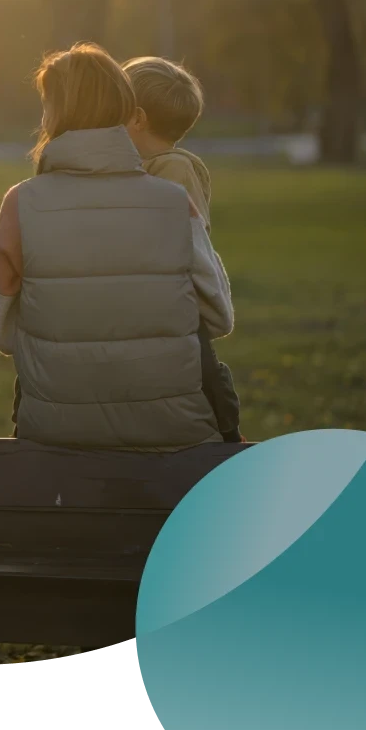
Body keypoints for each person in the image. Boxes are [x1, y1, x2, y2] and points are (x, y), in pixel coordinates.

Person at [0, 42, 233, 451]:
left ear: (54, 115)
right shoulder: (174, 203)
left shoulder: (20, 205)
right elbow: (218, 317)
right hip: (173, 434)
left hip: (56, 434)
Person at [123, 56, 244, 443]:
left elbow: (172, 236)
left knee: (202, 366)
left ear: (137, 119)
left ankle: (228, 434)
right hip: (155, 300)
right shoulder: (149, 165)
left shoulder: (172, 169)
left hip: (178, 299)